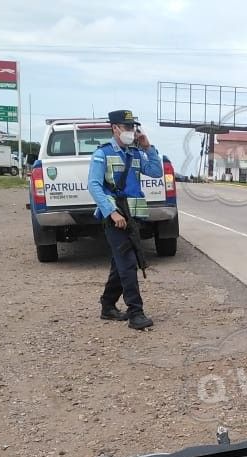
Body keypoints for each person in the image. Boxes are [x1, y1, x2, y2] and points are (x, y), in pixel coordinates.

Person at [87, 109, 164, 330]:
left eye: (133, 127)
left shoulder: (136, 153)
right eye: (127, 127)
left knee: (119, 264)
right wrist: (112, 212)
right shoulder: (102, 154)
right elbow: (93, 185)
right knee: (128, 263)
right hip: (115, 216)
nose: (131, 131)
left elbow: (156, 172)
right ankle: (135, 312)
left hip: (132, 216)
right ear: (115, 128)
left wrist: (148, 146)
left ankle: (107, 306)